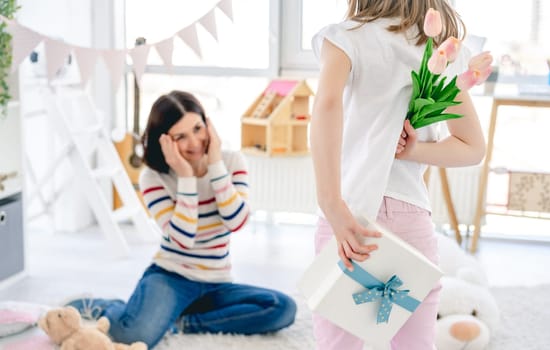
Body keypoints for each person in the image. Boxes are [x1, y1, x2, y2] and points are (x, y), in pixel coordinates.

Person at [309, 1, 485, 349]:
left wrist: (331, 203)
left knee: (338, 343)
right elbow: (472, 148)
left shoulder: (344, 38)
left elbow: (327, 106)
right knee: (415, 343)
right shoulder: (441, 50)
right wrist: (414, 150)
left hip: (349, 215)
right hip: (411, 219)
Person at [67, 91, 296, 348]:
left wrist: (216, 164)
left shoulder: (231, 162)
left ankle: (182, 322)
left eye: (198, 128)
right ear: (164, 141)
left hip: (217, 283)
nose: (195, 142)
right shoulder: (153, 178)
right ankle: (108, 306)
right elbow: (184, 238)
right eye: (181, 137)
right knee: (131, 336)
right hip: (171, 277)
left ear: (208, 124)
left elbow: (237, 222)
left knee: (282, 308)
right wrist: (186, 177)